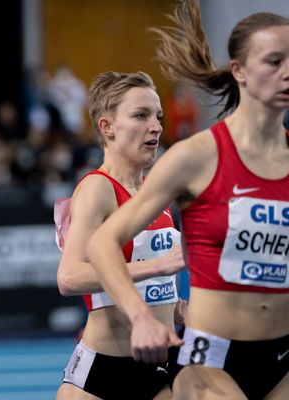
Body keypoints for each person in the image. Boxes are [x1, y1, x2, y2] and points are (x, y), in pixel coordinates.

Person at [88, 2, 289, 399]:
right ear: (240, 71)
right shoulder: (195, 157)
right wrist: (141, 316)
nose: (287, 72)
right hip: (209, 363)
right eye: (274, 61)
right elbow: (101, 242)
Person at [54, 71, 186, 400]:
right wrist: (158, 267)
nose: (155, 127)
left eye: (157, 116)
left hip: (161, 365)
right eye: (140, 116)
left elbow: (149, 277)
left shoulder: (154, 194)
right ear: (107, 127)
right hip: (105, 374)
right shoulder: (98, 188)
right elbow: (69, 277)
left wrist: (174, 307)